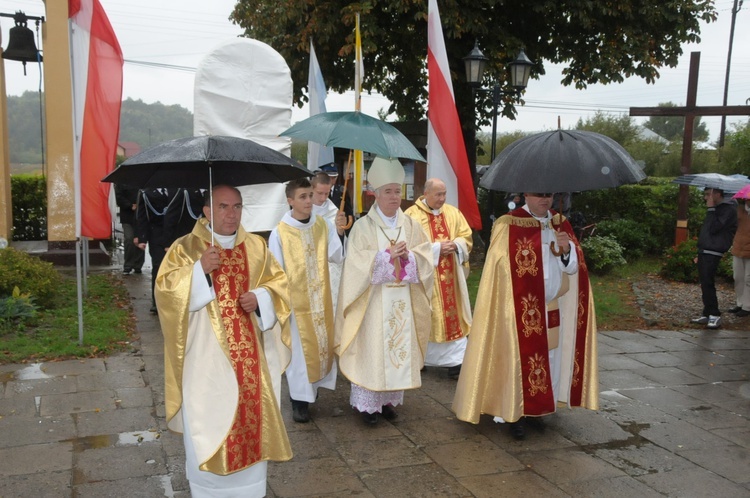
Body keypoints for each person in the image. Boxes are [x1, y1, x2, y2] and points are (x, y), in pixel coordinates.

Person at [155, 185, 292, 497]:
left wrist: (260, 298)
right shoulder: (186, 248)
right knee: (208, 423)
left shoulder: (256, 246)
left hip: (251, 362)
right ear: (206, 211)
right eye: (223, 207)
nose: (232, 214)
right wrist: (198, 271)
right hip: (206, 360)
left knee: (251, 424)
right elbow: (165, 292)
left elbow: (279, 284)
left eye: (237, 206)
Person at [452, 192, 598, 440]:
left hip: (551, 305)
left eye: (549, 195)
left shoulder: (560, 223)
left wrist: (566, 250)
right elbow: (498, 267)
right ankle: (515, 413)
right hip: (517, 308)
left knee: (549, 359)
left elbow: (574, 268)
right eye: (539, 195)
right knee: (516, 360)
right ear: (526, 195)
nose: (545, 200)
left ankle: (537, 410)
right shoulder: (508, 223)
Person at [334, 157, 434, 425]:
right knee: (373, 350)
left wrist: (409, 258)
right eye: (387, 191)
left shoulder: (411, 225)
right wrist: (385, 256)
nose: (393, 197)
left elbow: (425, 258)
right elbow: (354, 264)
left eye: (397, 191)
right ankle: (367, 407)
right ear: (375, 194)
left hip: (402, 301)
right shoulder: (364, 227)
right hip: (373, 303)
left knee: (396, 349)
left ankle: (388, 400)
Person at [269, 178, 346, 423]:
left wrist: (341, 232)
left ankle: (311, 392)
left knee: (320, 349)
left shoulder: (323, 225)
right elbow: (276, 271)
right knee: (300, 354)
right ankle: (299, 401)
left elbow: (336, 256)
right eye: (302, 197)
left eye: (310, 196)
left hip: (321, 301)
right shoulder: (280, 232)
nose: (309, 201)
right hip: (296, 305)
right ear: (290, 201)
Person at [404, 178, 472, 379]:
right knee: (425, 316)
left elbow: (466, 236)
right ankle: (421, 359)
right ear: (426, 194)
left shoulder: (452, 212)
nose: (442, 199)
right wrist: (436, 249)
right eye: (438, 194)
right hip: (426, 279)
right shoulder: (411, 216)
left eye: (444, 194)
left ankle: (456, 362)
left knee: (454, 316)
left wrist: (457, 245)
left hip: (451, 277)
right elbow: (407, 247)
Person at [691, 188, 738, 329]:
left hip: (714, 251)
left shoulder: (728, 209)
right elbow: (707, 231)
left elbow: (714, 228)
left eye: (708, 194)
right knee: (704, 283)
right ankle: (707, 312)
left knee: (708, 282)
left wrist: (711, 209)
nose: (706, 198)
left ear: (717, 194)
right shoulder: (717, 209)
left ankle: (715, 314)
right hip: (706, 250)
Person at [135, 187, 180, 313]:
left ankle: (174, 298)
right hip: (156, 236)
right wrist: (142, 238)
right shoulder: (147, 194)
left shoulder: (177, 191)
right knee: (158, 267)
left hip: (174, 236)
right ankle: (157, 301)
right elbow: (142, 217)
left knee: (175, 269)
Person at [311, 172, 346, 308]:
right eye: (319, 193)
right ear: (311, 189)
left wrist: (340, 230)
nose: (323, 198)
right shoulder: (302, 211)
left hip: (329, 269)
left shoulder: (334, 212)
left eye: (326, 193)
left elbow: (340, 247)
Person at [114, 183, 144, 274]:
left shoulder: (142, 179)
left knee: (140, 240)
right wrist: (130, 205)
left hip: (141, 217)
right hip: (128, 217)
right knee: (129, 239)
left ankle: (138, 265)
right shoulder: (122, 182)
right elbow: (118, 197)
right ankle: (128, 265)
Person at [730, 197, 750, 317]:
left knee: (749, 278)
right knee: (738, 277)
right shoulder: (740, 210)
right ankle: (740, 302)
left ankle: (747, 306)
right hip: (738, 248)